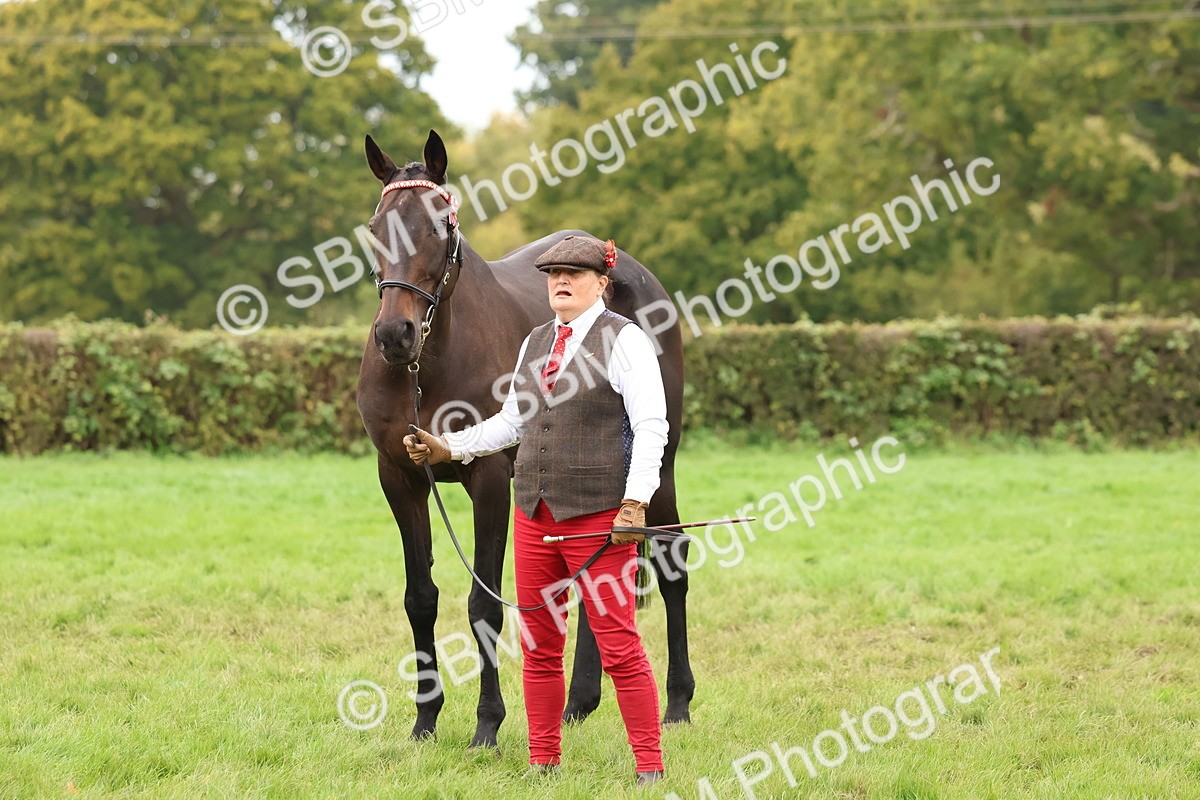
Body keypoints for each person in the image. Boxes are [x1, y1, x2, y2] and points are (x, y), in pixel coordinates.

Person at [403, 235, 668, 786]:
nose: (561, 282)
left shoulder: (626, 341)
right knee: (540, 645)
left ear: (602, 284)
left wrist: (636, 503)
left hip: (600, 515)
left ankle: (649, 766)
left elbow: (651, 428)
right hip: (534, 514)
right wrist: (449, 448)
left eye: (575, 274)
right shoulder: (536, 341)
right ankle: (543, 760)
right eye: (553, 274)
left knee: (618, 644)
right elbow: (513, 422)